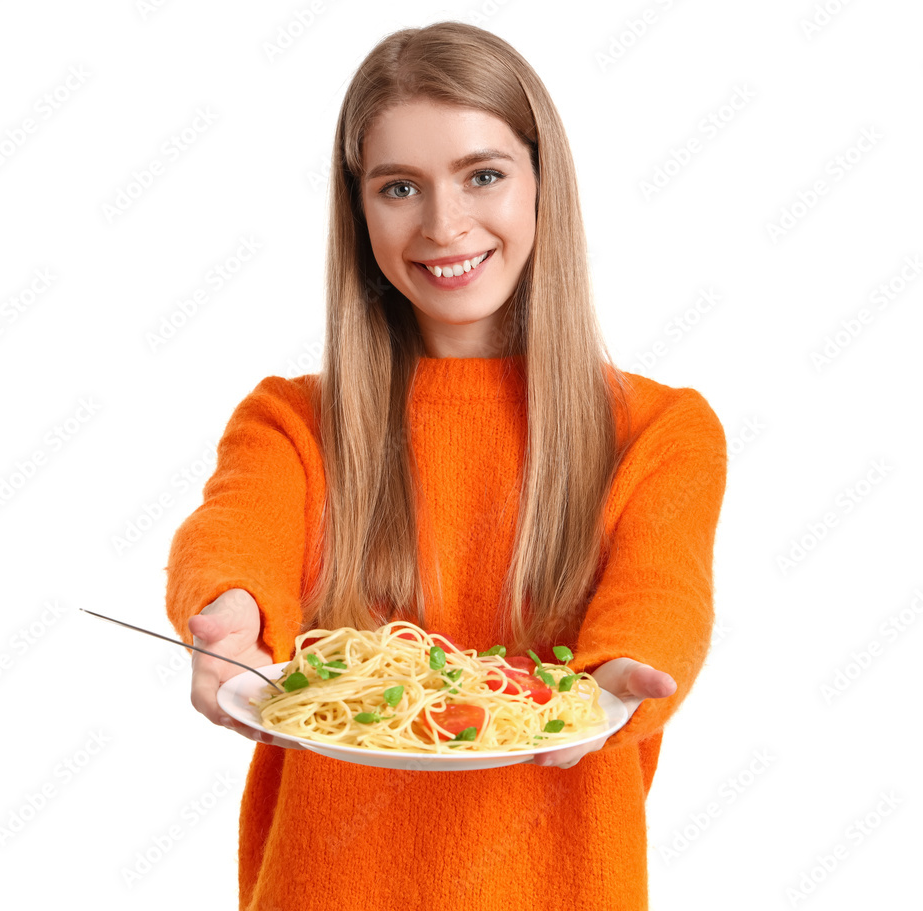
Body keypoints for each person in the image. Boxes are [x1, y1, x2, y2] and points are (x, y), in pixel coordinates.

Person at [165, 20, 727, 911]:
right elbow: (236, 531)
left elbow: (664, 592)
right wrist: (229, 615)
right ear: (359, 210)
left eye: (484, 175)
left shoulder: (661, 429)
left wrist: (626, 669)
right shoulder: (291, 420)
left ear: (544, 184)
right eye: (399, 187)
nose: (444, 223)